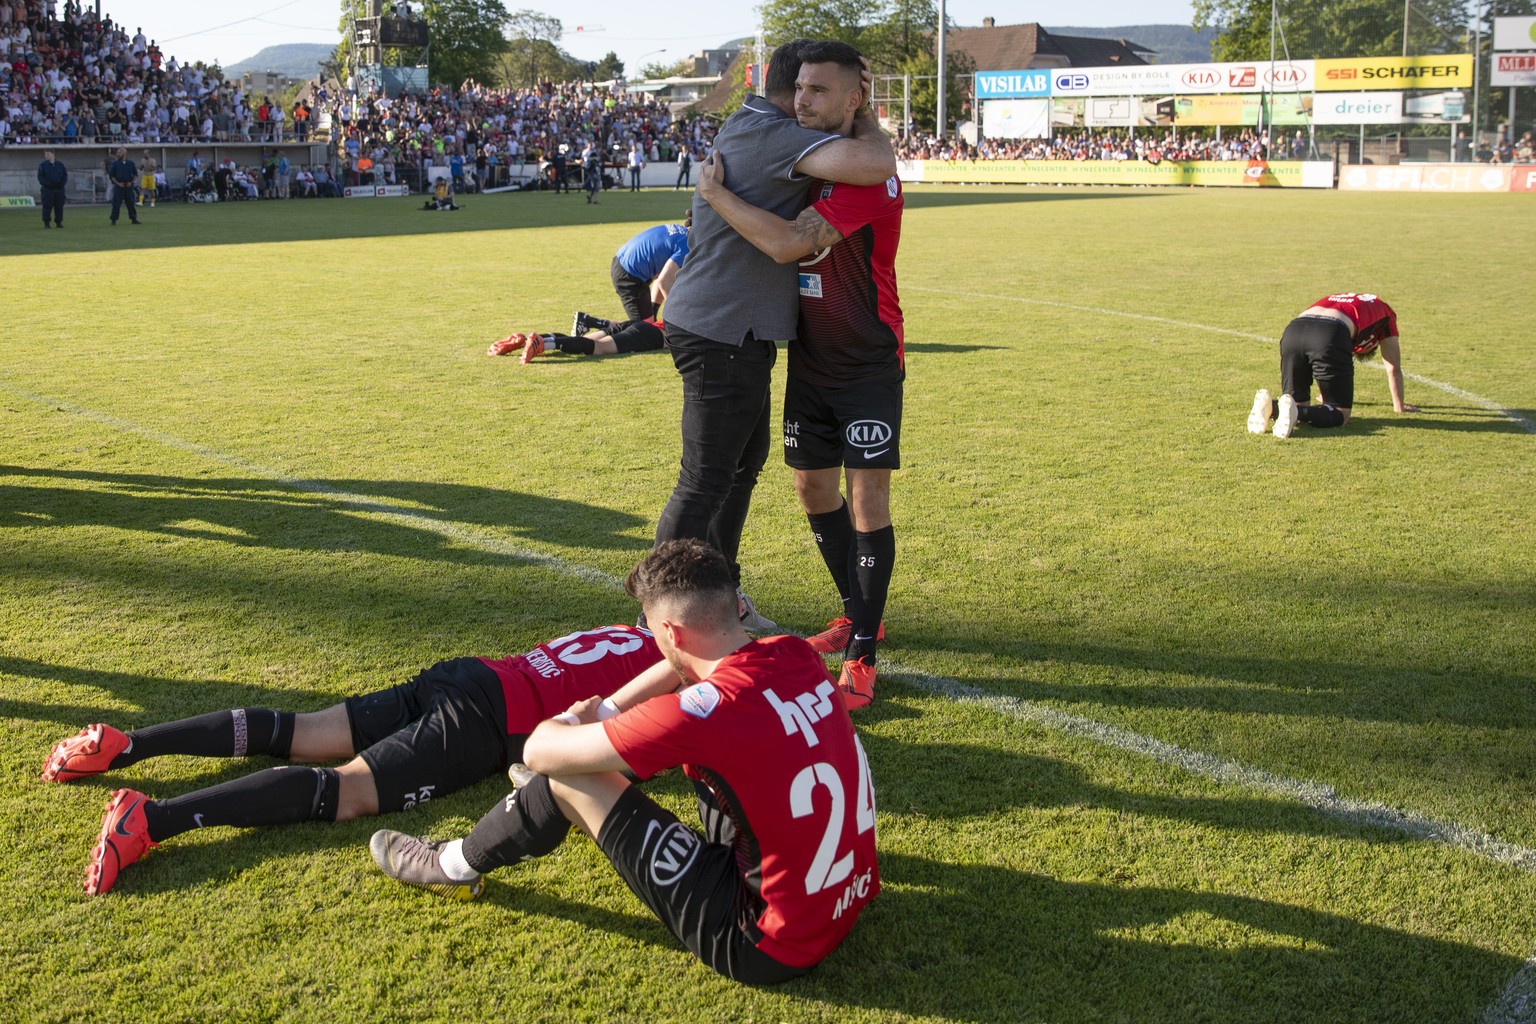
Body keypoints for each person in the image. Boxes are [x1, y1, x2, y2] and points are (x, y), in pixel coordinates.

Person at [370, 539, 879, 984]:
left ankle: (452, 866)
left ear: (672, 633)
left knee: (567, 778)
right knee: (708, 751)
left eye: (655, 632)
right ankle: (544, 802)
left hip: (764, 940)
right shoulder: (793, 652)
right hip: (844, 900)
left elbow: (537, 750)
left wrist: (571, 724)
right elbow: (682, 668)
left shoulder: (703, 713)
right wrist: (608, 710)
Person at [43, 625, 665, 895]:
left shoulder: (629, 631)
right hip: (483, 724)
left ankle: (132, 745)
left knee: (298, 730)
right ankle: (153, 820)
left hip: (469, 675)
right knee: (346, 791)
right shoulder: (668, 674)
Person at [652, 39, 896, 631]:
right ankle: (659, 620)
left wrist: (707, 211)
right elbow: (875, 165)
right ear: (793, 93)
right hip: (722, 328)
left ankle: (720, 597)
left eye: (823, 91)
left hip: (736, 325)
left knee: (738, 470)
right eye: (806, 92)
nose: (810, 103)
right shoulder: (776, 130)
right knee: (707, 479)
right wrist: (860, 111)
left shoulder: (760, 125)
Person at [1246, 293, 1417, 438]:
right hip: (1330, 331)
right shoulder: (1387, 314)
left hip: (1294, 329)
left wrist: (1326, 392)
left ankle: (1271, 407)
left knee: (1293, 403)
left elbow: (1322, 356)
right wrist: (1399, 406)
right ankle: (1292, 411)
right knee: (1340, 413)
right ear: (1371, 343)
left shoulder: (1344, 299)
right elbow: (1393, 367)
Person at [486, 313, 666, 363]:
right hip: (651, 334)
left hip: (640, 325)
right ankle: (543, 343)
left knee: (588, 341)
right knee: (599, 348)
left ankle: (525, 340)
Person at [610, 220, 690, 322]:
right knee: (644, 330)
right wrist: (679, 315)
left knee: (649, 325)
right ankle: (601, 331)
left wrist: (653, 309)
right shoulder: (688, 247)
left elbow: (661, 276)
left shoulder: (682, 232)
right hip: (629, 274)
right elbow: (665, 281)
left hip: (625, 264)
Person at [107, 146, 141, 225]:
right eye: (118, 153)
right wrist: (118, 184)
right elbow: (112, 176)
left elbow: (135, 174)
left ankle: (134, 218)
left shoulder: (130, 163)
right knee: (116, 204)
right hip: (119, 186)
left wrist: (131, 182)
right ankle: (113, 219)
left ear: (124, 153)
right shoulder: (115, 164)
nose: (118, 154)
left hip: (128, 186)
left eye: (120, 152)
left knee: (131, 203)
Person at [37, 148, 67, 228]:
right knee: (47, 206)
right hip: (48, 190)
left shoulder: (60, 165)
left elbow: (65, 175)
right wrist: (48, 184)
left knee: (59, 206)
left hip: (59, 189)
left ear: (53, 154)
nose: (46, 156)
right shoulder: (42, 165)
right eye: (45, 154)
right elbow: (40, 177)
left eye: (48, 154)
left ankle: (59, 222)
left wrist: (61, 184)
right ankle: (46, 223)